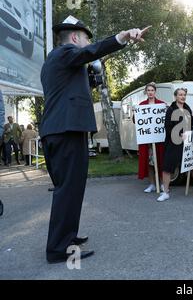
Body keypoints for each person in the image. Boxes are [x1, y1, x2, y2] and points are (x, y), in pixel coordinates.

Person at [40, 15, 149, 263]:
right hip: (66, 131)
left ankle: (67, 237)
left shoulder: (60, 62)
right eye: (86, 39)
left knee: (70, 189)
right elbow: (90, 52)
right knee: (68, 190)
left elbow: (73, 90)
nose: (88, 44)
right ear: (76, 38)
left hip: (61, 129)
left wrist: (90, 79)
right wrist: (121, 37)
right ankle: (58, 249)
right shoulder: (65, 52)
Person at [158, 88, 193, 202]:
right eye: (180, 95)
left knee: (192, 163)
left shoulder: (187, 108)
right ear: (176, 96)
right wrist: (179, 135)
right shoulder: (171, 109)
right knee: (168, 167)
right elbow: (168, 127)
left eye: (184, 95)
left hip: (188, 142)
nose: (182, 97)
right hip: (174, 142)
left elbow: (192, 124)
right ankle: (165, 191)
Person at [134, 82, 165, 193]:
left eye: (152, 90)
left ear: (155, 92)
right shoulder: (142, 105)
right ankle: (152, 184)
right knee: (149, 162)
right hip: (146, 140)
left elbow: (166, 120)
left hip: (159, 139)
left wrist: (167, 109)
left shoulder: (161, 104)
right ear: (146, 92)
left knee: (160, 161)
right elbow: (136, 121)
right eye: (148, 90)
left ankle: (161, 183)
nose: (150, 92)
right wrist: (135, 113)